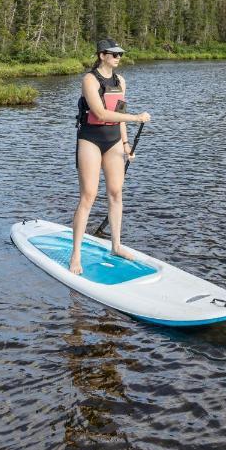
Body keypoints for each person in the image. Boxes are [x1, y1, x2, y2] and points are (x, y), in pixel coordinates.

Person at [69, 38, 151, 275]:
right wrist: (136, 118)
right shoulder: (89, 79)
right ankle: (76, 255)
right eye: (114, 54)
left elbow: (118, 113)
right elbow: (100, 112)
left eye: (120, 54)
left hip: (114, 140)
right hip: (90, 139)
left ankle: (116, 246)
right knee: (89, 196)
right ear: (102, 55)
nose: (118, 58)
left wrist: (126, 143)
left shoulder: (120, 81)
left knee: (116, 192)